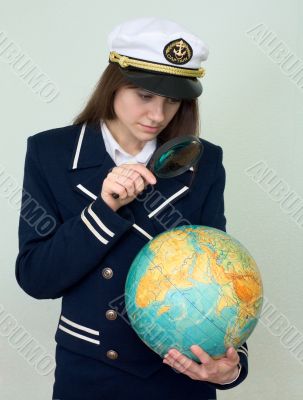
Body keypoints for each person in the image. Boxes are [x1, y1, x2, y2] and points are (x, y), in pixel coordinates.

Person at [15, 17, 249, 400]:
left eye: (172, 100)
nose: (158, 115)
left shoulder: (204, 163)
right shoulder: (50, 153)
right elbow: (36, 277)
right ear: (113, 84)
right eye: (144, 95)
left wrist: (230, 365)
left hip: (181, 374)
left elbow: (220, 270)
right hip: (90, 375)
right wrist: (104, 208)